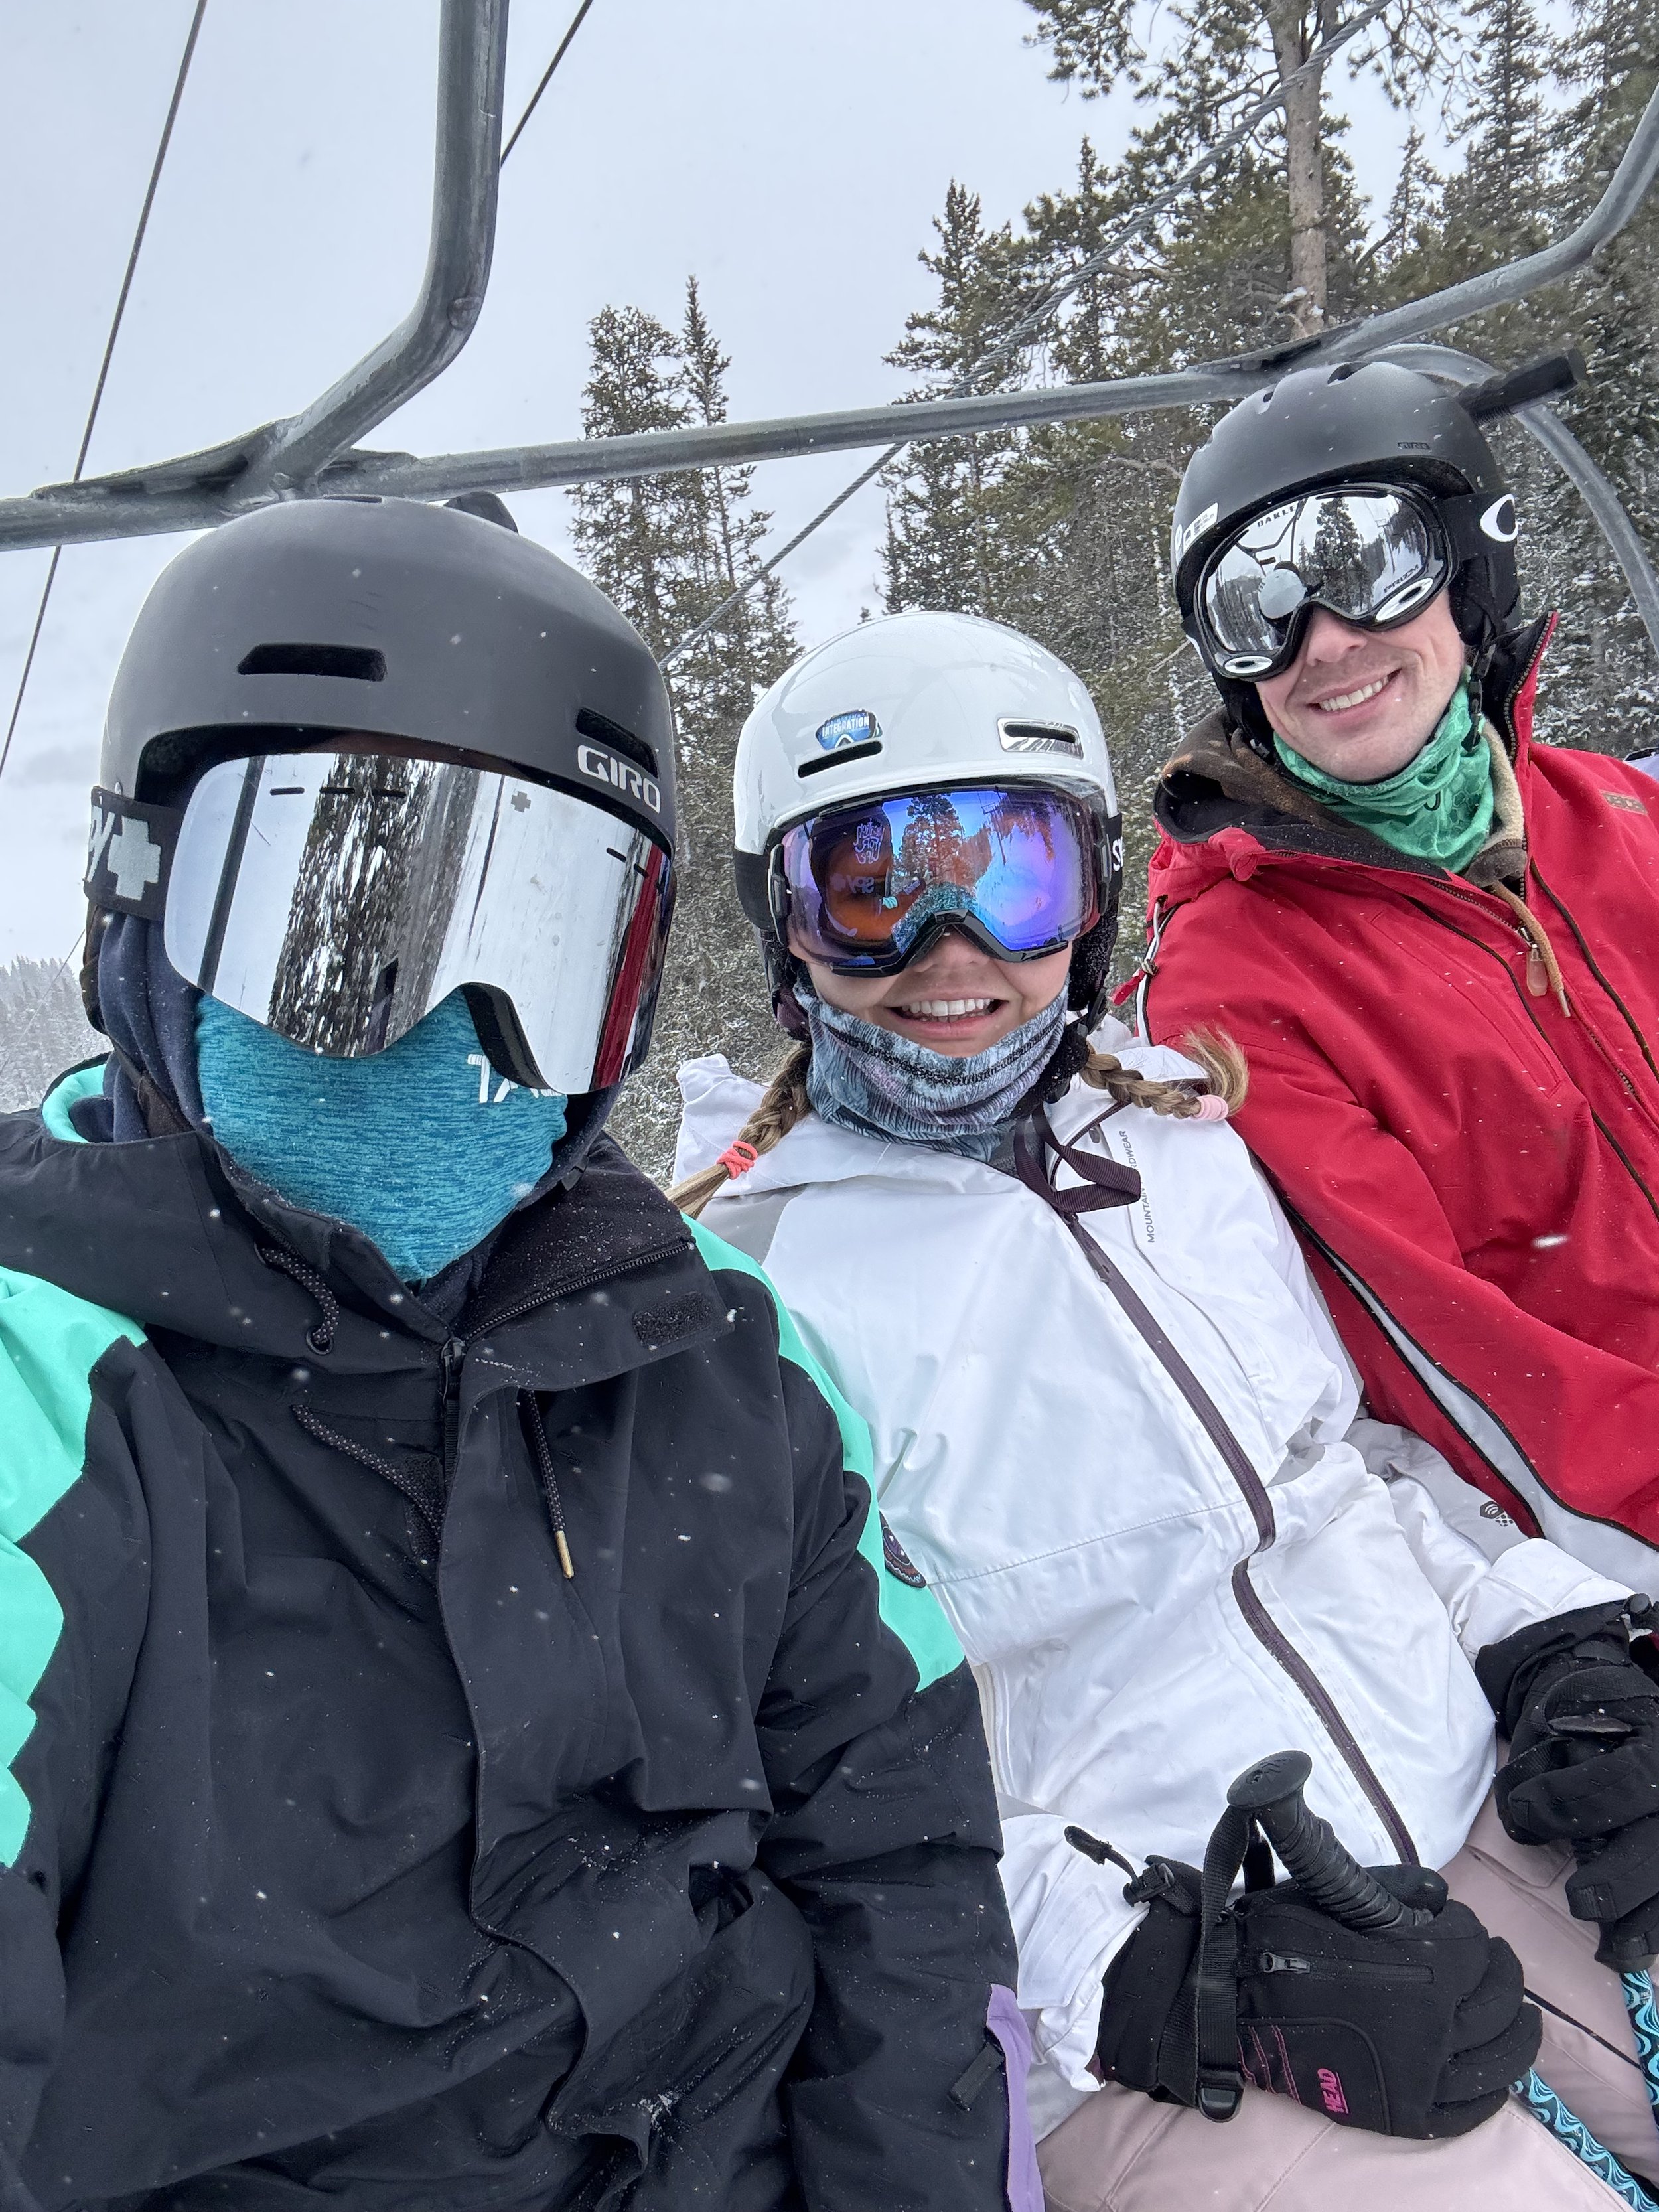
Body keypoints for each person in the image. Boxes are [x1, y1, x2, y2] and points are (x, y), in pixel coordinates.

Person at [0, 496, 1030, 2212]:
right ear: (147, 898)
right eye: (347, 931)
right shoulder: (53, 1389)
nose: (455, 1031)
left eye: (548, 945)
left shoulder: (718, 1346)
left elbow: (903, 1862)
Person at [673, 607, 1659, 2209]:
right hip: (1167, 1989)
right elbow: (812, 1766)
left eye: (1013, 876)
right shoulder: (752, 1301)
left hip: (1466, 1794)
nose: (951, 950)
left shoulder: (1184, 1142)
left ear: (1093, 889)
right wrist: (1170, 1967)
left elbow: (1341, 1468)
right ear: (783, 927)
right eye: (870, 887)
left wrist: (1548, 1644)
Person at [1138, 357, 1659, 1584]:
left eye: (1371, 566)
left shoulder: (1615, 813)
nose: (1323, 642)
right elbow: (1459, 1375)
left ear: (1470, 572)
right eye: (1254, 607)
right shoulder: (1234, 984)